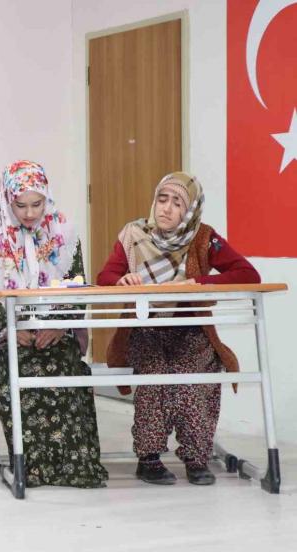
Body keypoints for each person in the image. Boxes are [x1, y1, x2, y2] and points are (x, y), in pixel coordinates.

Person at [96, 172, 260, 486]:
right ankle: (149, 458)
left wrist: (198, 282)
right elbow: (105, 277)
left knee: (193, 378)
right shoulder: (133, 235)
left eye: (177, 203)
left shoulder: (204, 237)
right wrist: (121, 280)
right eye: (162, 199)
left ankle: (197, 459)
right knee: (155, 376)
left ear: (190, 211)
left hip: (191, 330)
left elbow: (247, 273)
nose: (167, 209)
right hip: (145, 329)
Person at [0, 160, 108, 488]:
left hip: (58, 333)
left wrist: (59, 325)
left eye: (37, 204)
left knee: (66, 374)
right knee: (26, 376)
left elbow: (77, 286)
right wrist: (12, 327)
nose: (30, 213)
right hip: (9, 336)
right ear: (8, 199)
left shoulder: (63, 231)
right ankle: (31, 468)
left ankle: (75, 467)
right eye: (21, 206)